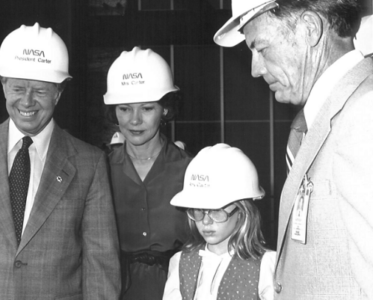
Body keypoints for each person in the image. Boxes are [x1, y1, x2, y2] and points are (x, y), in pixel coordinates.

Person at [214, 0, 373, 299]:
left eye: (261, 49)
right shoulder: (328, 117)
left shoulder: (364, 114)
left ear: (310, 29)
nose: (254, 69)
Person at [0, 23, 120, 299]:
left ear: (59, 92)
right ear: (3, 85)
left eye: (40, 91)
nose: (26, 101)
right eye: (17, 88)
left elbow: (101, 268)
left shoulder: (91, 164)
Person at [104, 46, 193, 300]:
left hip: (178, 289)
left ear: (165, 109)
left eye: (146, 108)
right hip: (115, 290)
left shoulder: (190, 169)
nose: (134, 120)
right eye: (124, 108)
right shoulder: (100, 169)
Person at [163, 143, 276, 300]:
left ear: (242, 212)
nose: (206, 221)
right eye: (198, 211)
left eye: (216, 211)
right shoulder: (181, 262)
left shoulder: (266, 265)